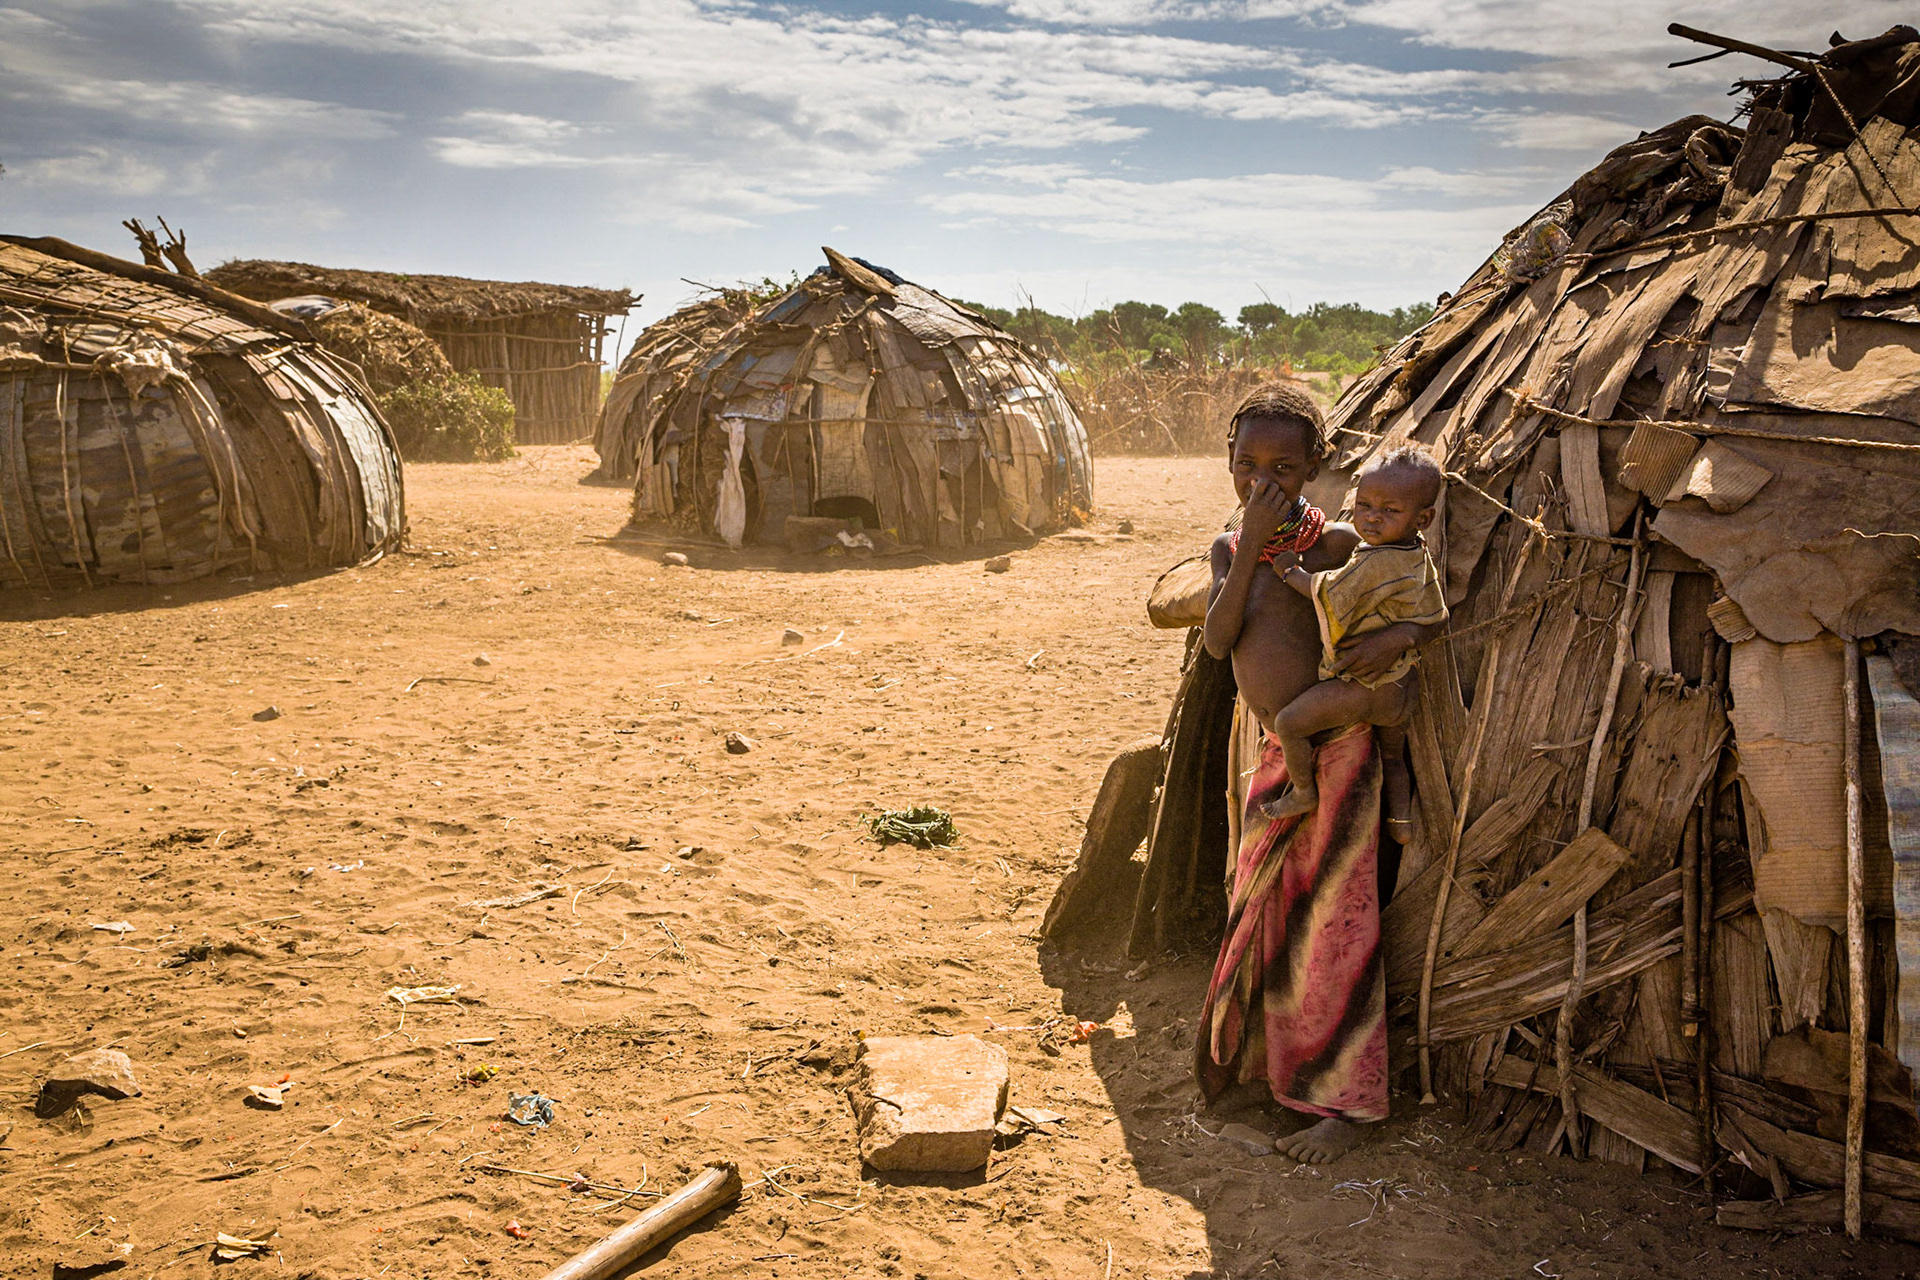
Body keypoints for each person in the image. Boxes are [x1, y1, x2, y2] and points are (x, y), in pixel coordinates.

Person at [1196, 382, 1438, 1164]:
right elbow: (1217, 640)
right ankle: (1264, 1070)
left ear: (1315, 468)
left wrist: (1385, 657)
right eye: (1247, 465)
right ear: (1228, 464)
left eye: (1283, 466)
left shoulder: (1336, 545)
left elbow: (1398, 600)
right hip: (1275, 757)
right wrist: (1250, 540)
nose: (1262, 479)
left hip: (1340, 753)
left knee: (1337, 924)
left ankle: (1344, 1104)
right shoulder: (1229, 551)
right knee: (1264, 913)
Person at [1260, 447, 1448, 843]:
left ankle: (1304, 792)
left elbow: (1327, 592)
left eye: (1389, 510)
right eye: (1364, 505)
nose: (1372, 517)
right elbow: (1436, 615)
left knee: (1289, 723)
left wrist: (1290, 570)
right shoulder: (1418, 557)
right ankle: (1401, 823)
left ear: (1423, 518)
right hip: (1400, 687)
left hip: (1364, 688)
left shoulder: (1374, 562)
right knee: (1393, 756)